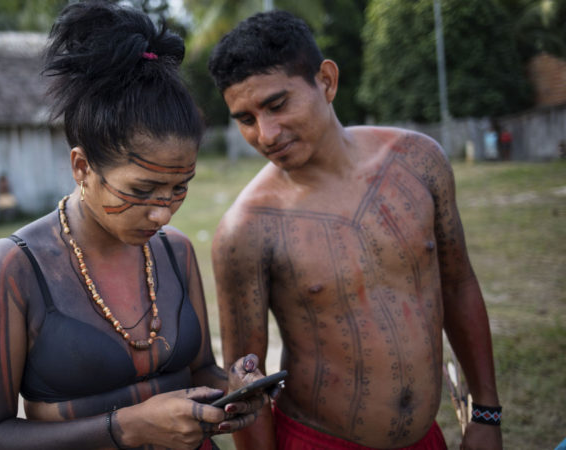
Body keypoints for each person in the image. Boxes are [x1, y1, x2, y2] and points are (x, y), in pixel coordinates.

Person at [0, 2, 271, 448]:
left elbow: (199, 371)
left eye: (180, 188)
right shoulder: (15, 268)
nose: (162, 213)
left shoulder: (174, 252)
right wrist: (126, 426)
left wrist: (234, 387)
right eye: (141, 190)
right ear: (82, 166)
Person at [208, 10, 502, 450]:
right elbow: (244, 380)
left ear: (326, 81)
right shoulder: (246, 230)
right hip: (317, 439)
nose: (266, 134)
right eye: (246, 119)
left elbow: (459, 286)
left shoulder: (418, 162)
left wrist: (486, 413)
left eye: (276, 104)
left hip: (427, 438)